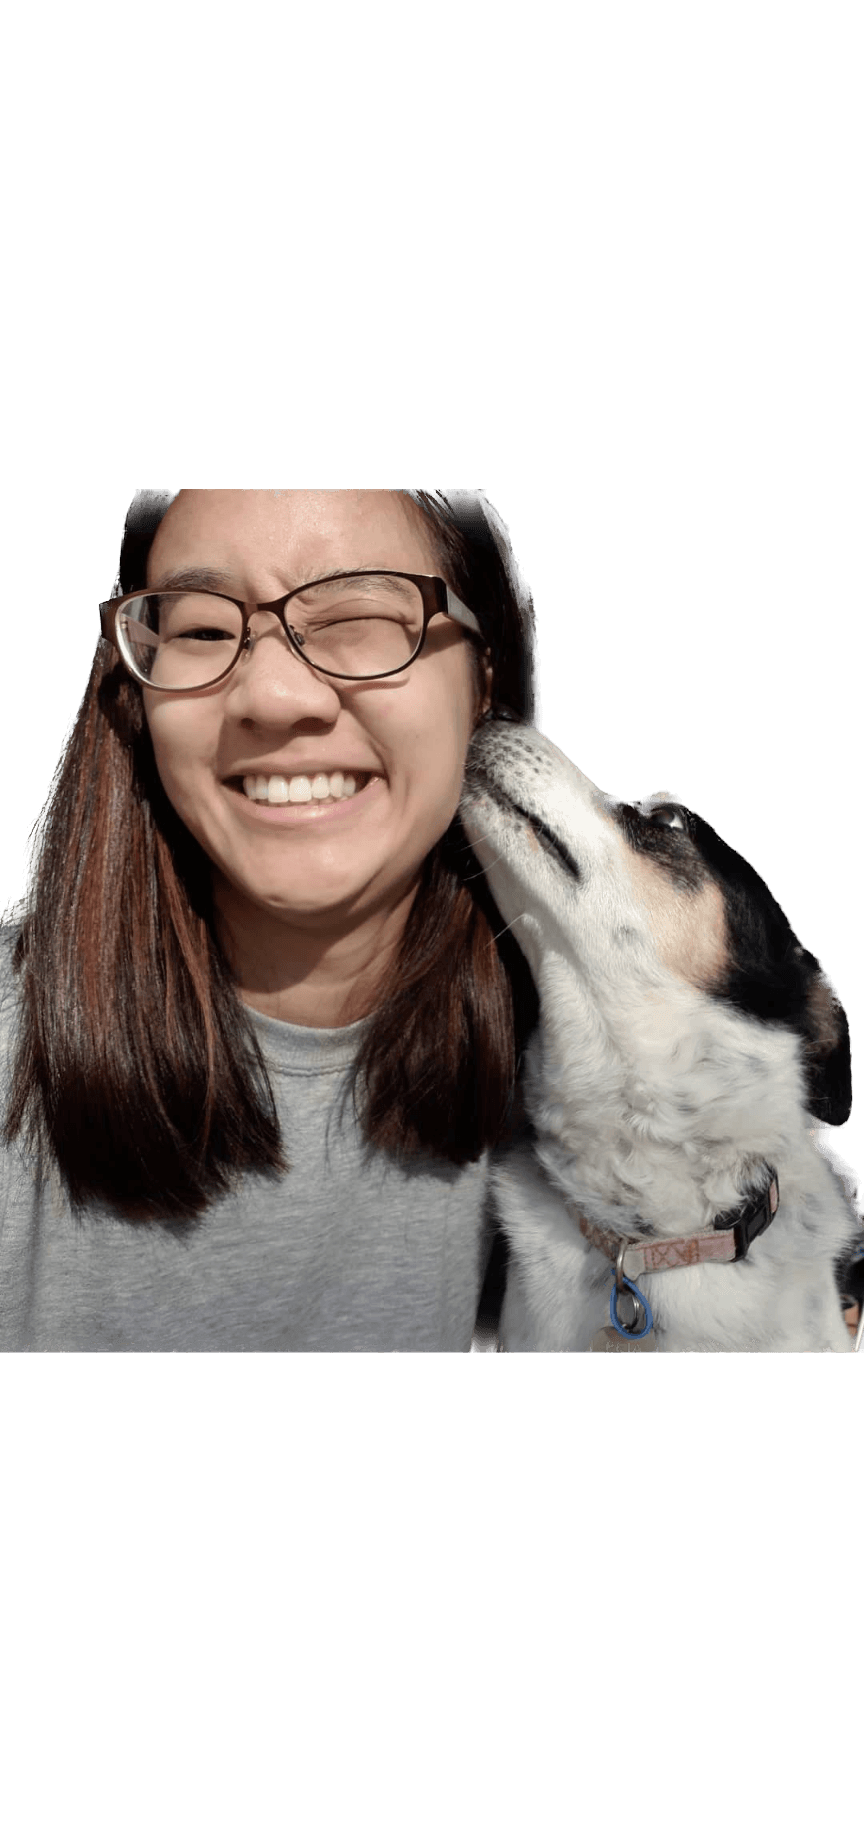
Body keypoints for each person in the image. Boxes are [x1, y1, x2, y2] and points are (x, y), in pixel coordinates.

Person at [0, 489, 541, 1352]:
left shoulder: (580, 1066)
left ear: (485, 676)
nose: (276, 696)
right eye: (204, 630)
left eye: (357, 616)